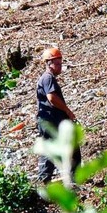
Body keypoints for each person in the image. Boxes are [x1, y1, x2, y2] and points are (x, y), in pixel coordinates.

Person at [36, 47, 81, 183]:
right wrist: (67, 111)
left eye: (61, 63)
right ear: (49, 63)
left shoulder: (47, 78)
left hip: (51, 120)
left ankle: (47, 181)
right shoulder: (48, 78)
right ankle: (44, 181)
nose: (60, 66)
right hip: (52, 121)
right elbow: (52, 98)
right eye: (57, 63)